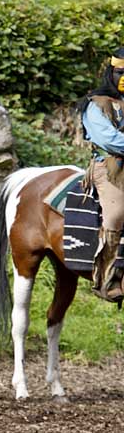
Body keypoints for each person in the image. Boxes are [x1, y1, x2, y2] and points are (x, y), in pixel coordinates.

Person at [81, 46, 124, 301]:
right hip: (110, 167)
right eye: (121, 72)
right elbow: (108, 140)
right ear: (111, 72)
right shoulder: (96, 103)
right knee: (117, 213)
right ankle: (107, 278)